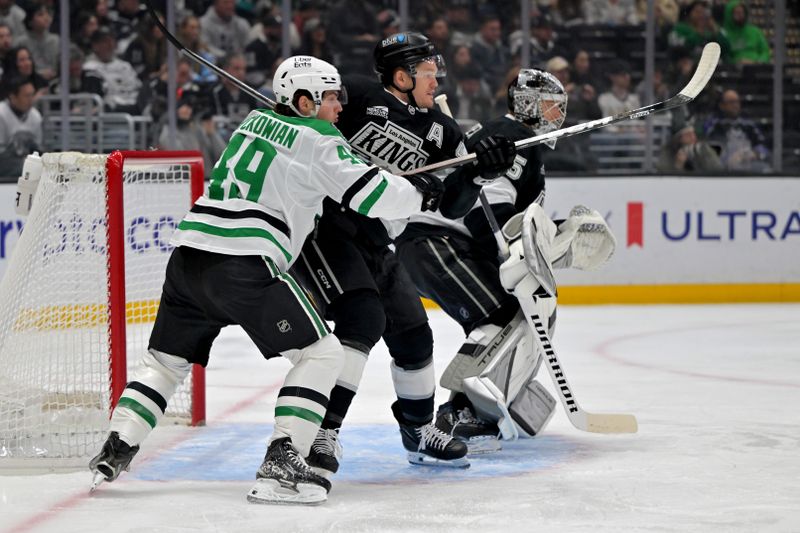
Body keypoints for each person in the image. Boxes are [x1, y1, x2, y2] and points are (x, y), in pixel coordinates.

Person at [88, 55, 447, 506]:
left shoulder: (253, 122)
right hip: (244, 263)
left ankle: (117, 446)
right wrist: (420, 192)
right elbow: (372, 195)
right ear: (303, 101)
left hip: (187, 259)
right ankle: (282, 463)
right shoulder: (319, 138)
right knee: (323, 353)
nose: (339, 107)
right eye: (331, 97)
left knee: (164, 363)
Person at [289, 32, 516, 474]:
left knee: (414, 336)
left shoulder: (444, 132)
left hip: (379, 240)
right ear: (401, 75)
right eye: (429, 73)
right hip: (328, 229)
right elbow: (310, 111)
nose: (436, 81)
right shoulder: (355, 94)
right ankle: (324, 432)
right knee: (361, 319)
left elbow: (452, 204)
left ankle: (417, 433)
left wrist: (478, 172)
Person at [394, 69, 565, 451]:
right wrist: (513, 256)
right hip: (435, 240)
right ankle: (457, 417)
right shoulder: (515, 138)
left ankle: (467, 407)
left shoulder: (519, 140)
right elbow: (483, 212)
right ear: (528, 105)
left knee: (506, 315)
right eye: (552, 106)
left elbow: (504, 218)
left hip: (442, 241)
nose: (558, 116)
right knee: (500, 316)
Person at [703, 88, 770, 172]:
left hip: (748, 164)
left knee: (765, 168)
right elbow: (711, 147)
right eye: (731, 102)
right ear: (722, 105)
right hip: (724, 167)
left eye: (737, 102)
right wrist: (727, 158)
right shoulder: (714, 124)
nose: (735, 105)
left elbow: (762, 145)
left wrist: (755, 154)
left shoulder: (748, 124)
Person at [0, 76, 41, 176]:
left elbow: (38, 149)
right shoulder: (1, 114)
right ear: (13, 97)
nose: (31, 99)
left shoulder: (35, 116)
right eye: (27, 96)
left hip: (27, 169)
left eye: (32, 95)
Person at [657, 118, 723, 173]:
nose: (693, 137)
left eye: (693, 133)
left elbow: (717, 169)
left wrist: (703, 156)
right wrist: (678, 165)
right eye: (688, 135)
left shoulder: (703, 148)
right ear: (679, 138)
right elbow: (665, 176)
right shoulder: (668, 152)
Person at [720, 0, 771, 65]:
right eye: (737, 13)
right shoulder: (725, 34)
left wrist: (758, 62)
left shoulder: (755, 31)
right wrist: (736, 62)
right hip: (734, 70)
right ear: (730, 15)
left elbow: (765, 51)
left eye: (742, 12)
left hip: (756, 68)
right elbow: (725, 56)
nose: (740, 15)